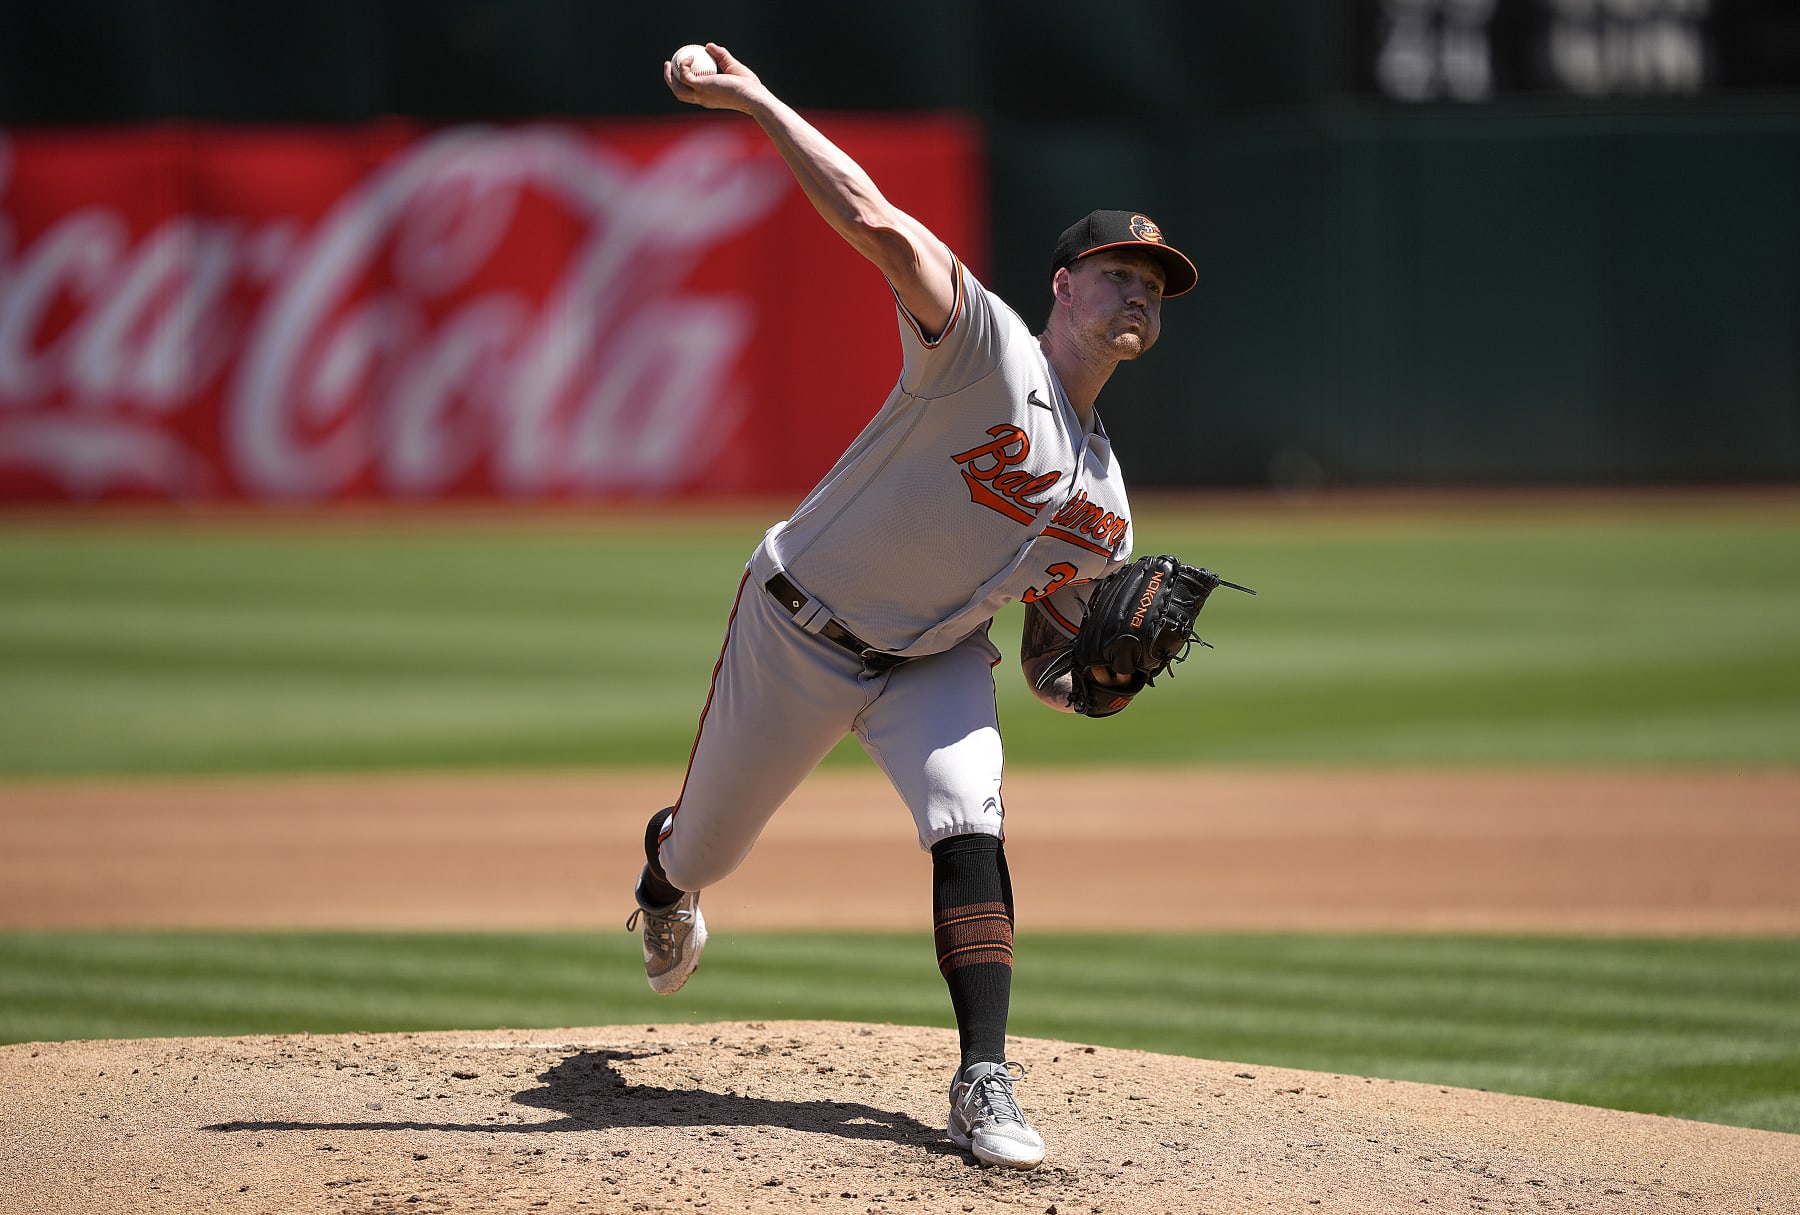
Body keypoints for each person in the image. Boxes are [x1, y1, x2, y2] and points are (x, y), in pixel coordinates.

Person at [627, 41, 1197, 1171]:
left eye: (1155, 282)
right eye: (1117, 269)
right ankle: (660, 879)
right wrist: (752, 98)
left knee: (969, 812)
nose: (1137, 288)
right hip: (796, 626)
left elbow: (1051, 666)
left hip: (934, 660)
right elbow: (876, 222)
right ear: (1063, 285)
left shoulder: (1109, 507)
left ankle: (984, 1077)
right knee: (706, 852)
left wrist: (1097, 681)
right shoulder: (981, 349)